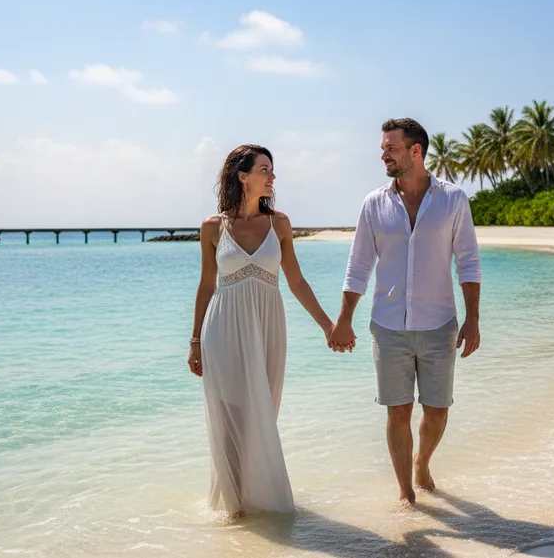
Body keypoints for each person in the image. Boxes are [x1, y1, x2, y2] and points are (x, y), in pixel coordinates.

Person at [328, 117, 482, 509]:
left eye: (390, 148)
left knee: (437, 412)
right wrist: (344, 318)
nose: (383, 155)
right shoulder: (374, 204)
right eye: (383, 148)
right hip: (388, 326)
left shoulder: (453, 200)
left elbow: (468, 262)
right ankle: (406, 493)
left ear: (416, 151)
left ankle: (422, 462)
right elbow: (358, 265)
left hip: (440, 323)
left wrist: (473, 319)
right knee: (397, 411)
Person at [188, 144, 334, 518]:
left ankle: (258, 500)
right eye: (264, 169)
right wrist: (194, 341)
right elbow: (206, 286)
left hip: (268, 325)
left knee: (263, 412)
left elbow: (297, 282)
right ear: (243, 176)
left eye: (272, 170)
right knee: (229, 413)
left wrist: (327, 325)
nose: (272, 176)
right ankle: (234, 506)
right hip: (222, 328)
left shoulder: (280, 224)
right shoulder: (212, 227)